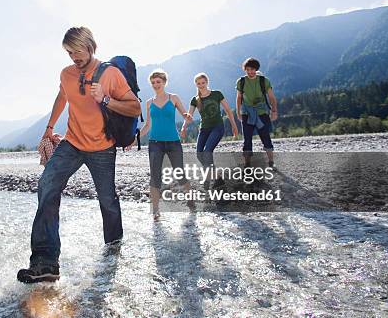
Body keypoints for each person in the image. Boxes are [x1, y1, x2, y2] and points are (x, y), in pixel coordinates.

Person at [17, 27, 141, 284]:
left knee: (108, 200)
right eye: (69, 52)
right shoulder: (66, 74)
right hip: (72, 143)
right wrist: (50, 127)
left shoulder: (111, 74)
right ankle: (45, 261)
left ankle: (113, 250)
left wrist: (105, 100)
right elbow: (63, 95)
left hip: (102, 148)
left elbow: (134, 107)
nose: (74, 56)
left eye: (78, 50)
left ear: (90, 46)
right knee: (47, 185)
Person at [132, 70, 193, 220]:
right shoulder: (149, 103)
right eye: (153, 83)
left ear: (164, 82)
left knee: (180, 174)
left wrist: (187, 118)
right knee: (155, 176)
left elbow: (185, 115)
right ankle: (156, 210)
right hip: (155, 144)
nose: (155, 85)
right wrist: (134, 140)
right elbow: (147, 126)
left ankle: (190, 201)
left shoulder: (173, 98)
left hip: (173, 142)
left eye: (158, 82)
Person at [181, 73, 238, 173]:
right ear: (196, 85)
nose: (201, 85)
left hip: (217, 127)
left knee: (207, 151)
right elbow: (189, 116)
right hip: (204, 129)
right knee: (199, 154)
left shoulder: (217, 94)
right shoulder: (195, 99)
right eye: (199, 83)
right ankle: (212, 171)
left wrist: (234, 125)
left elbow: (228, 110)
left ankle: (213, 176)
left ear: (207, 82)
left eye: (203, 82)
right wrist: (184, 128)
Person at [235, 57, 278, 167]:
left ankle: (271, 162)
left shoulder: (264, 81)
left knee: (265, 137)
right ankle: (247, 164)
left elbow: (272, 97)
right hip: (247, 114)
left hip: (262, 113)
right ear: (245, 70)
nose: (250, 72)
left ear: (256, 69)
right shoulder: (241, 81)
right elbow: (239, 98)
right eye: (248, 70)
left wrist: (274, 111)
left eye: (252, 69)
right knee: (247, 139)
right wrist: (238, 113)